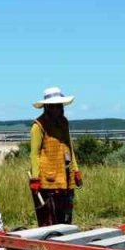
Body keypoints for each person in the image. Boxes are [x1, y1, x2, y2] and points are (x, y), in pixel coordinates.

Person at [29, 86, 81, 226]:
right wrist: (35, 178)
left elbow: (69, 147)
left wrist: (76, 170)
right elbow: (34, 154)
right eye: (53, 106)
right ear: (46, 107)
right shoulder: (38, 126)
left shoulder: (64, 122)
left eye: (58, 106)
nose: (56, 109)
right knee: (49, 217)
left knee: (65, 215)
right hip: (48, 178)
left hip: (66, 175)